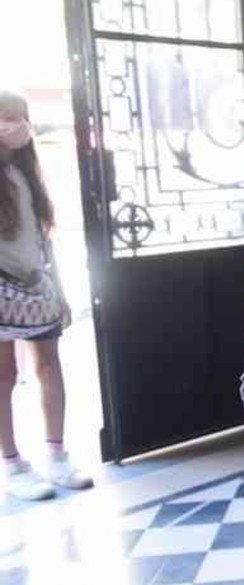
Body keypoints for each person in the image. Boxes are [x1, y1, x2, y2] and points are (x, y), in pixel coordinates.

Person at [0, 90, 91, 502]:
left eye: (21, 117)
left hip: (38, 284)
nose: (16, 125)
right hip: (2, 285)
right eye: (7, 116)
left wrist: (61, 289)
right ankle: (13, 463)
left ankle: (56, 454)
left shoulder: (27, 171)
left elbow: (43, 236)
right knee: (2, 375)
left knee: (49, 366)